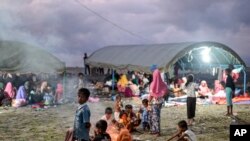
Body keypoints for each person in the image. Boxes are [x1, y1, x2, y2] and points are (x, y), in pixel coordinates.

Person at [149, 69, 167, 136]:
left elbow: (150, 94)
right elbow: (164, 93)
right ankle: (155, 130)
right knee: (156, 116)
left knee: (154, 117)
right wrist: (159, 95)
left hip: (154, 103)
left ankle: (156, 131)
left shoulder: (152, 84)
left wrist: (149, 101)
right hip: (160, 102)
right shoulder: (163, 84)